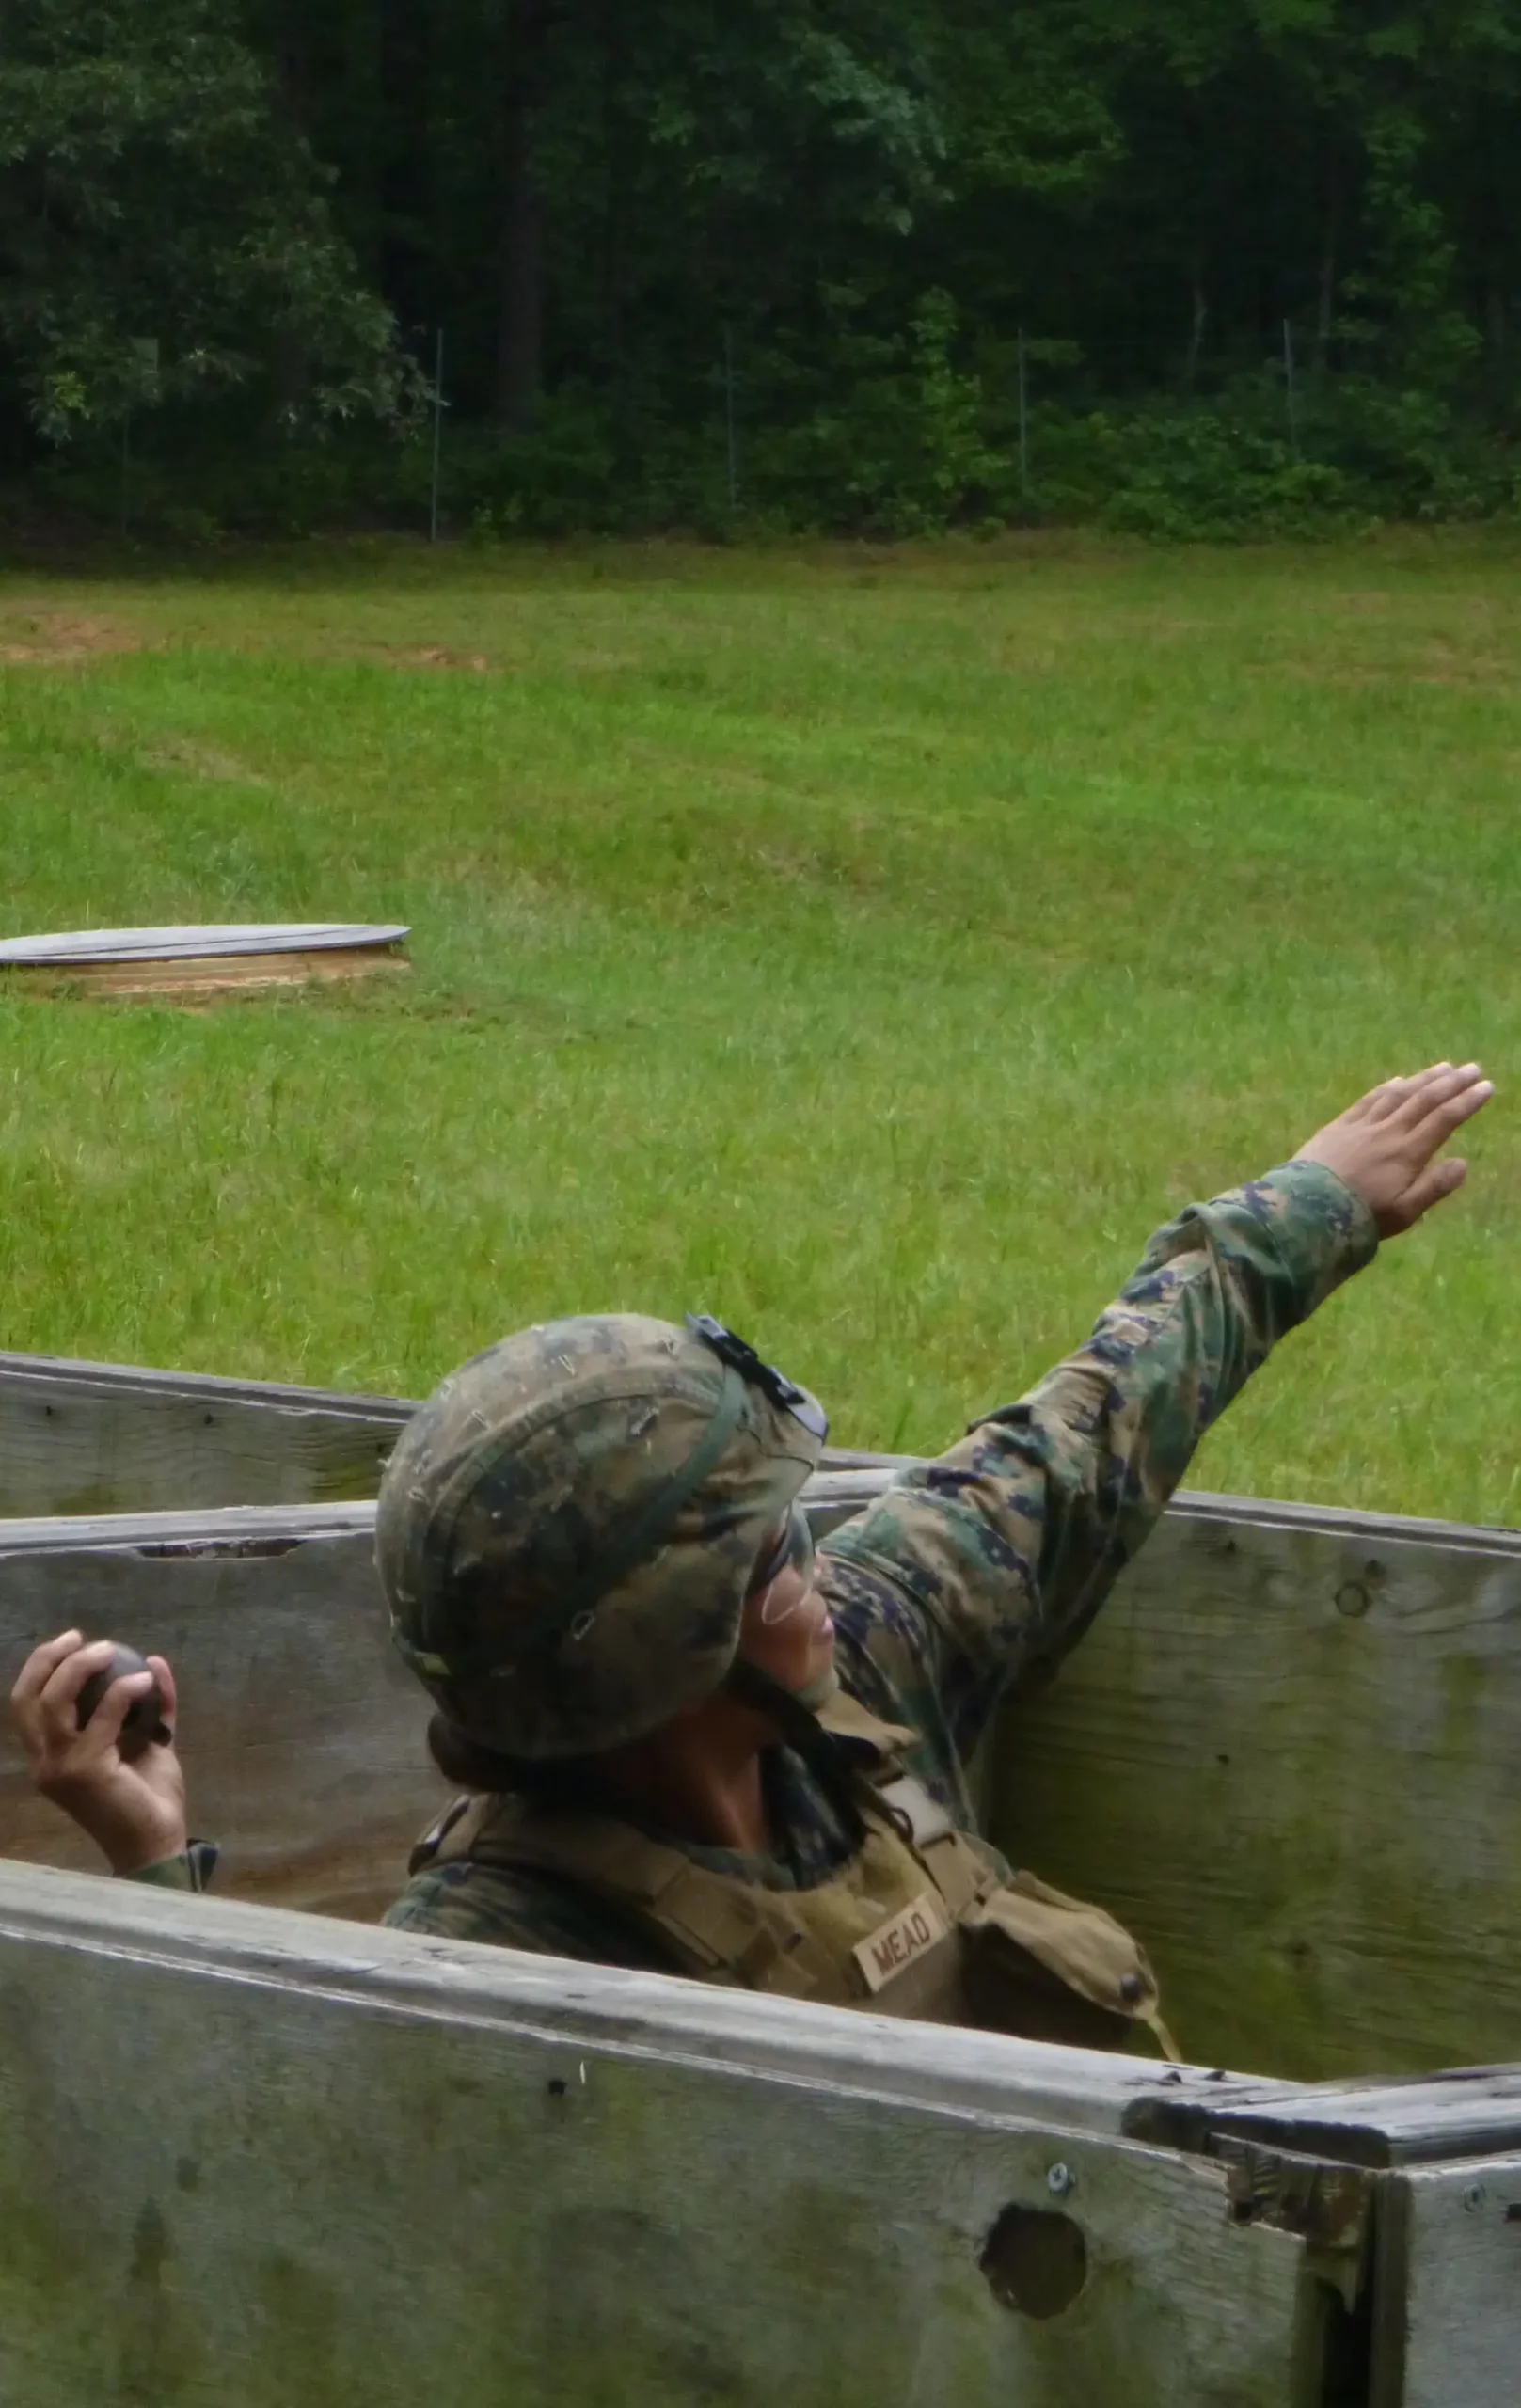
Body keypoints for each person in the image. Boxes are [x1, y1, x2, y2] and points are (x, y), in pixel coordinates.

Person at [10, 1062, 1494, 2051]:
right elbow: (288, 2161)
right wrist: (158, 1866)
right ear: (666, 1652)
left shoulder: (869, 1658)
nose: (819, 1559)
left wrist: (1300, 1210)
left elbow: (1077, 1447)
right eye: (769, 1554)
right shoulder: (503, 1948)